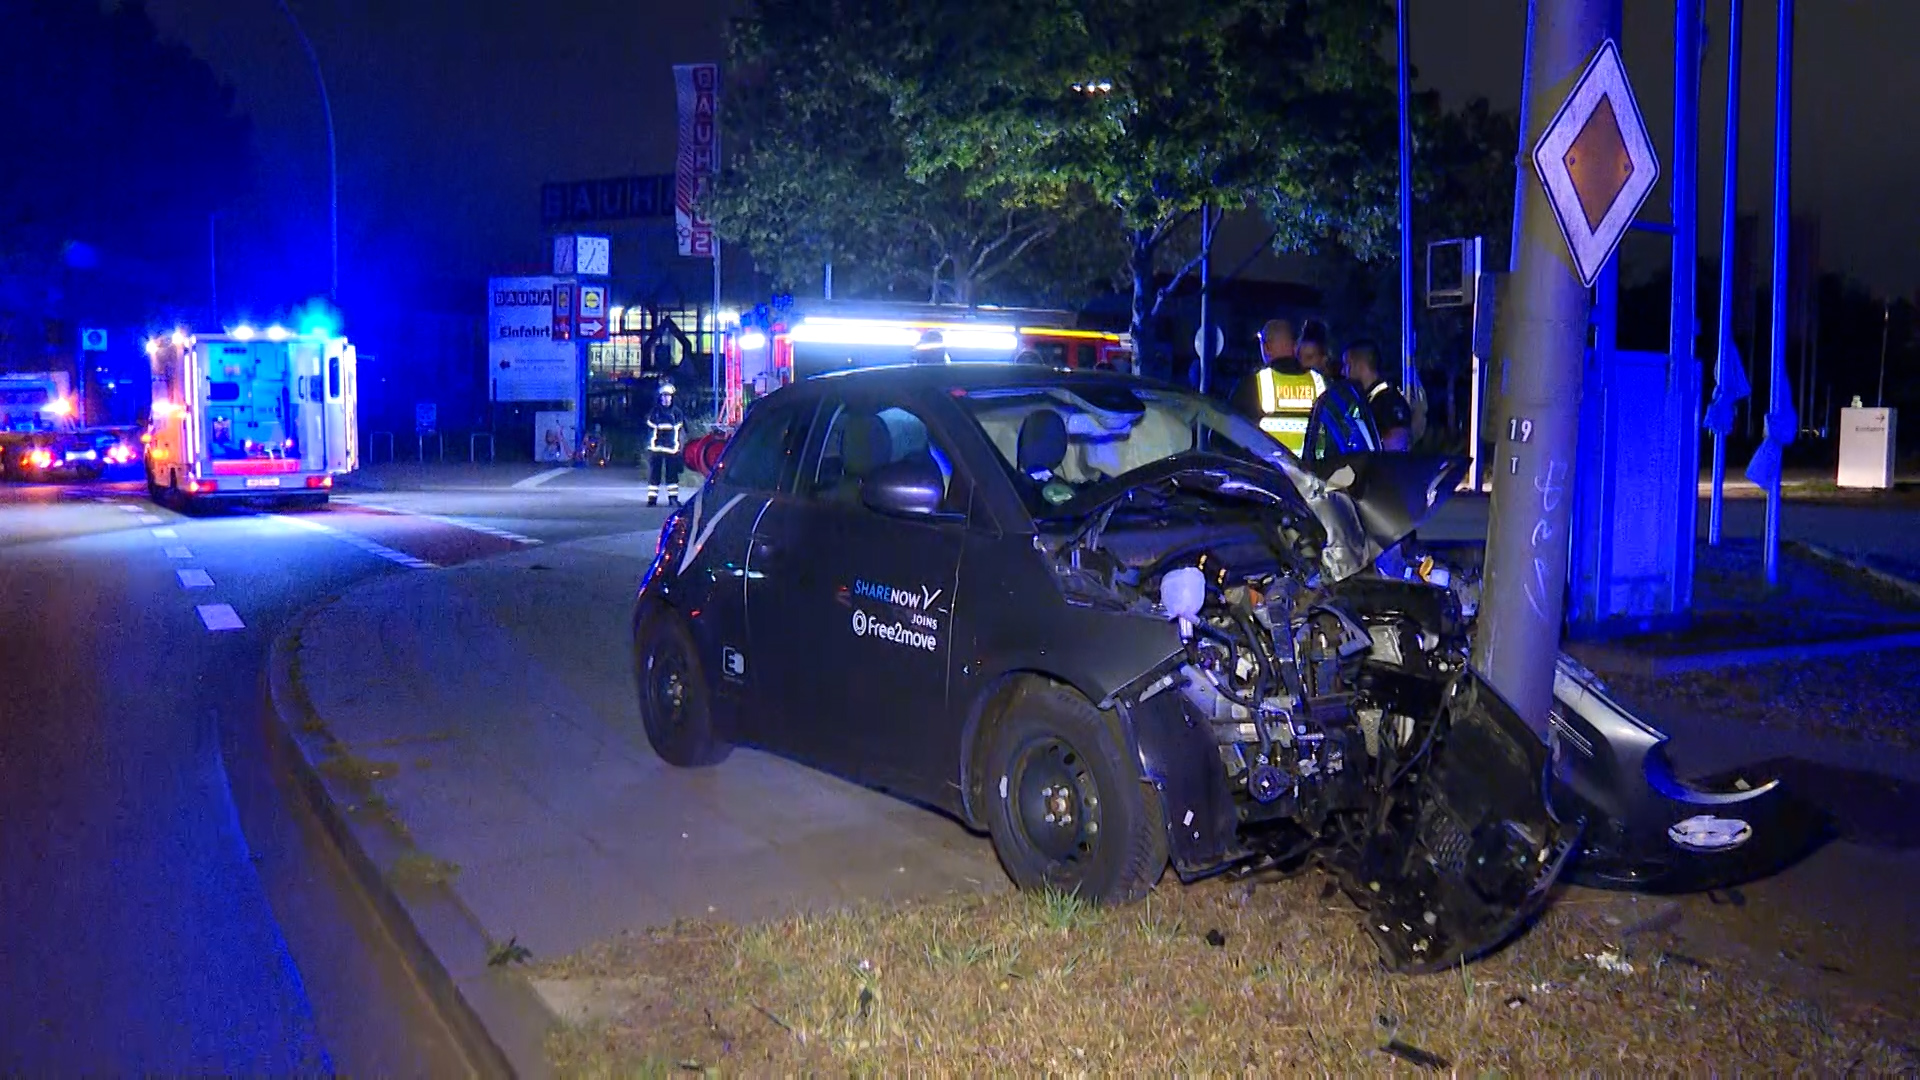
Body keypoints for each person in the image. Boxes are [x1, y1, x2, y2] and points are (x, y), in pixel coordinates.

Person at [1229, 318, 1321, 455]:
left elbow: (1228, 436)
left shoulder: (1252, 384)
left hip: (1267, 473)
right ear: (1295, 346)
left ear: (1266, 347)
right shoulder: (1319, 382)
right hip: (1313, 474)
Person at [1341, 339, 1415, 452]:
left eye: (1347, 365)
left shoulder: (1388, 401)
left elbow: (1397, 442)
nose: (1343, 372)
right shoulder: (1367, 401)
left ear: (1361, 366)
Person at [644, 381, 687, 506]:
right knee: (654, 474)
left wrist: (680, 446)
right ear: (660, 397)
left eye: (668, 395)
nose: (666, 398)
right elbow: (650, 428)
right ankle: (652, 499)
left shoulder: (677, 413)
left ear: (672, 397)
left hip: (672, 448)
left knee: (672, 475)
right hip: (656, 448)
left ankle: (672, 498)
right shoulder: (654, 412)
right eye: (664, 395)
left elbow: (681, 430)